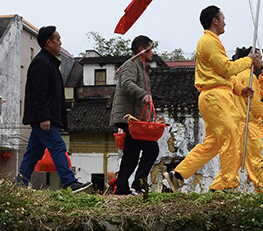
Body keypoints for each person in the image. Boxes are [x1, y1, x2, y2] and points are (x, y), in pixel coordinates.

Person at [167, 7, 260, 193]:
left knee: (214, 143)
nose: (225, 21)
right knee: (231, 135)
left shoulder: (213, 42)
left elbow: (222, 73)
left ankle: (177, 176)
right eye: (223, 18)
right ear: (215, 21)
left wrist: (240, 89)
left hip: (216, 95)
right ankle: (226, 182)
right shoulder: (209, 41)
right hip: (216, 97)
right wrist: (248, 60)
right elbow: (225, 69)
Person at [17, 26, 92, 192]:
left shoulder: (47, 62)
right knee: (58, 147)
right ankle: (69, 182)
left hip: (43, 117)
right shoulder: (41, 64)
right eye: (57, 39)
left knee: (33, 154)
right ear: (48, 42)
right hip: (43, 118)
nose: (60, 42)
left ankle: (19, 186)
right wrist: (44, 116)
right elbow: (39, 93)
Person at [110, 36, 160, 195]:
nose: (152, 52)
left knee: (131, 153)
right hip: (129, 116)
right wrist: (143, 94)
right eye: (150, 49)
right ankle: (137, 184)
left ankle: (122, 187)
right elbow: (127, 83)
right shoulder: (132, 64)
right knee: (151, 148)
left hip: (133, 116)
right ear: (142, 50)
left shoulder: (140, 66)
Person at [233, 54, 263, 193]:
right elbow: (253, 103)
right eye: (258, 56)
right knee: (254, 163)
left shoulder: (244, 75)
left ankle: (220, 188)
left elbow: (256, 95)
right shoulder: (247, 76)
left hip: (240, 124)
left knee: (233, 161)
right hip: (248, 125)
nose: (261, 60)